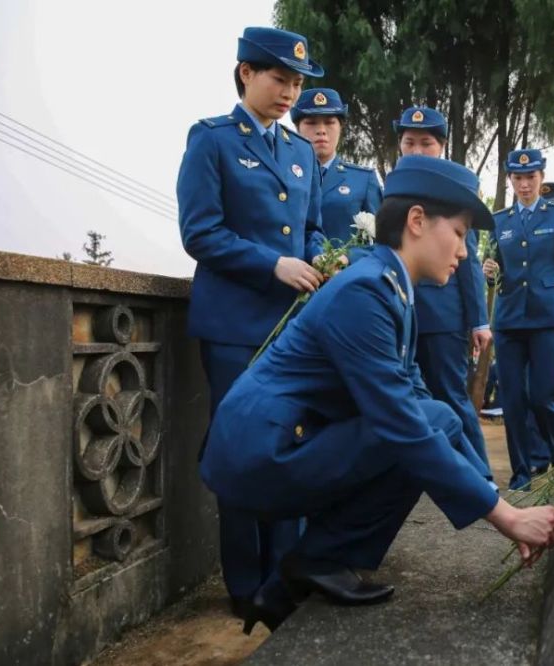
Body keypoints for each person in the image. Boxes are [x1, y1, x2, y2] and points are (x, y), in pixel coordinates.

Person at [200, 155, 554, 632]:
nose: (464, 254)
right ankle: (315, 561)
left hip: (288, 443)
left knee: (438, 415)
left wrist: (483, 495)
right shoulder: (365, 292)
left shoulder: (391, 287)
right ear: (417, 221)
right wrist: (505, 517)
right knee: (420, 426)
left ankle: (300, 574)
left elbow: (418, 399)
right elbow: (401, 423)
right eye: (459, 234)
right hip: (262, 454)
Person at [176, 26, 326, 620]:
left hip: (292, 328)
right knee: (241, 451)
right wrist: (273, 265)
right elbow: (200, 233)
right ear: (245, 73)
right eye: (279, 78)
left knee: (290, 444)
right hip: (235, 325)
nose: (289, 92)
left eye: (295, 82)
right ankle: (245, 583)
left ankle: (282, 575)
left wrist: (317, 257)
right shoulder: (212, 139)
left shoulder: (298, 152)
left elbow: (311, 227)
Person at [394, 106, 494, 483]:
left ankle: (479, 475)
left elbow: (467, 261)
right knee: (408, 397)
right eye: (409, 143)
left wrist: (478, 320)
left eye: (426, 143)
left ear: (442, 146)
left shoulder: (454, 191)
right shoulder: (393, 189)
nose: (417, 151)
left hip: (443, 314)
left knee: (450, 396)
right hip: (401, 310)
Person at [482, 149, 554, 490]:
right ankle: (521, 473)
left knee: (544, 396)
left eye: (531, 177)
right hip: (510, 319)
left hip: (549, 316)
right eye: (518, 178)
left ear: (541, 177)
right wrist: (489, 272)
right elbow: (492, 270)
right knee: (513, 400)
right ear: (511, 180)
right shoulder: (499, 221)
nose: (525, 184)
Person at [292, 88, 382, 243]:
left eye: (329, 122)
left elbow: (382, 242)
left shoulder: (363, 180)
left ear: (341, 128)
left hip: (349, 267)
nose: (321, 130)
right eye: (311, 123)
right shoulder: (283, 175)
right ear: (297, 128)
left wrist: (347, 258)